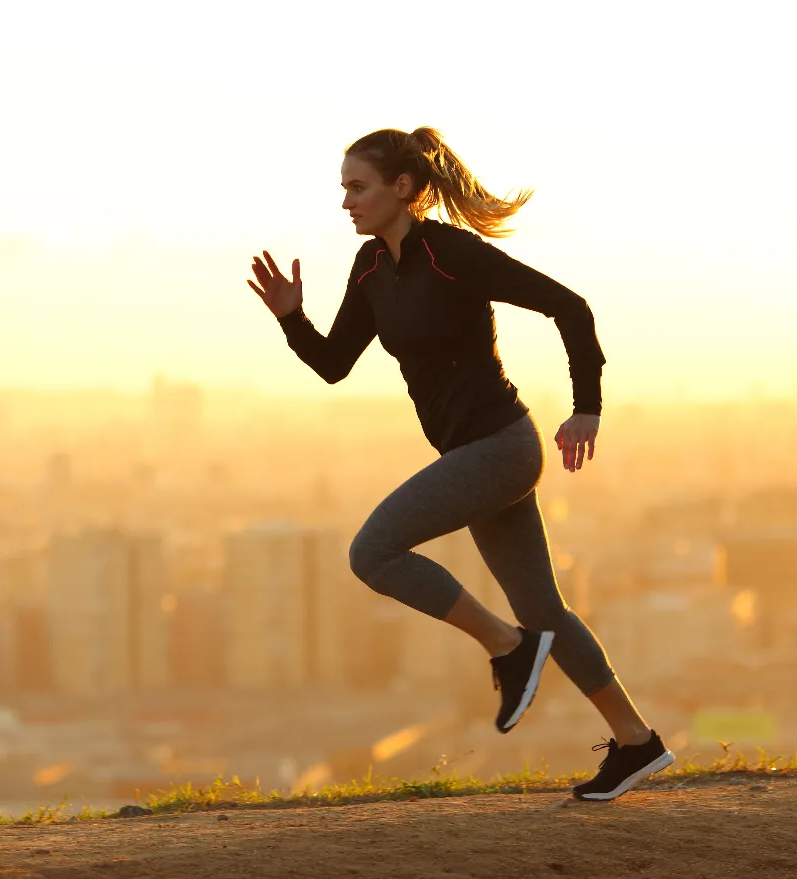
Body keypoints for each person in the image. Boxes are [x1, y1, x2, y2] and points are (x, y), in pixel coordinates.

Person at [246, 127, 673, 801]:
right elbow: (333, 365)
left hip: (501, 447)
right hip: (474, 456)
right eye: (343, 190)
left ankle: (508, 647)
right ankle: (636, 740)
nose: (347, 203)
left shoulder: (452, 253)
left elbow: (570, 306)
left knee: (373, 551)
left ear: (404, 187)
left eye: (358, 187)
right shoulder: (369, 269)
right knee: (546, 609)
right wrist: (292, 318)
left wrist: (586, 406)